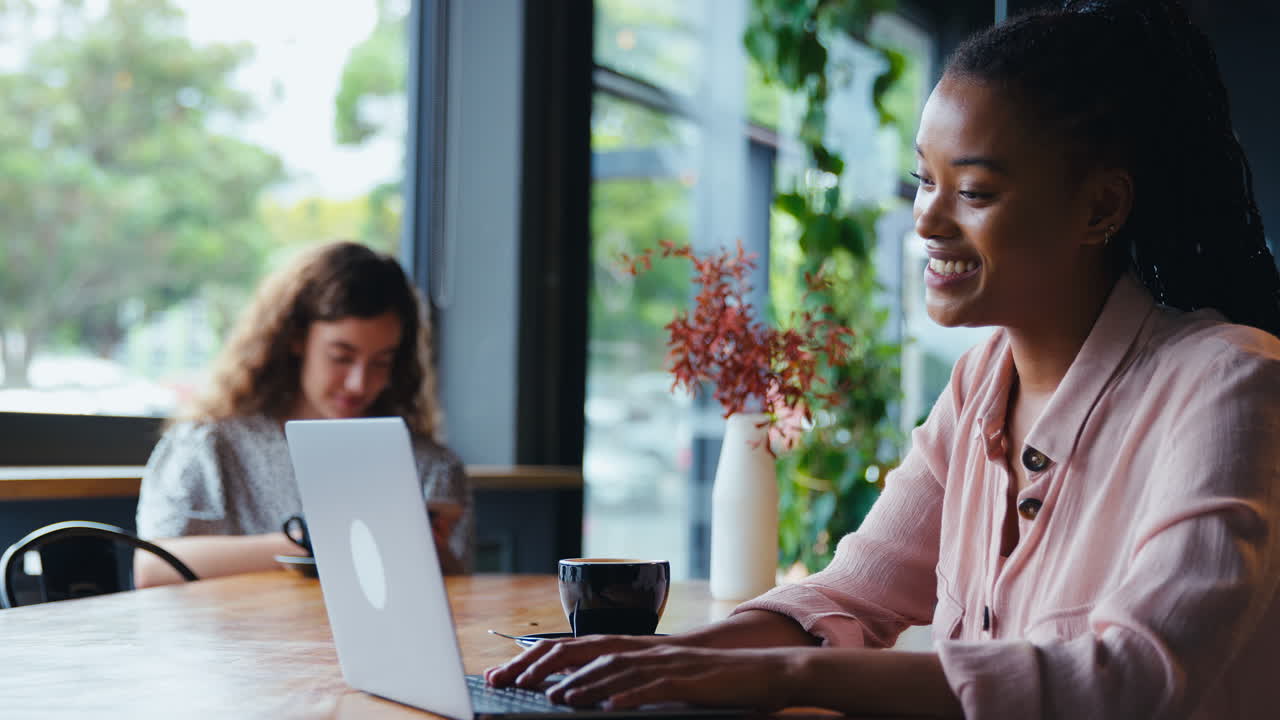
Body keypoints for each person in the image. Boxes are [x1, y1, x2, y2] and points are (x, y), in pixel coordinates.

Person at [486, 1, 1280, 717]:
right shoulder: (979, 385)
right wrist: (655, 661)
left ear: (1100, 207)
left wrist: (786, 679)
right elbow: (848, 595)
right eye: (922, 181)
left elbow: (1133, 676)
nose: (926, 220)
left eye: (973, 191)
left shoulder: (1229, 381)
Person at [134, 241, 472, 587]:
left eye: (381, 362)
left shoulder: (430, 467)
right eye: (341, 357)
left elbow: (460, 596)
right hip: (231, 640)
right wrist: (316, 541)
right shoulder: (210, 445)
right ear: (296, 338)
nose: (359, 383)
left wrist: (428, 550)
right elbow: (153, 568)